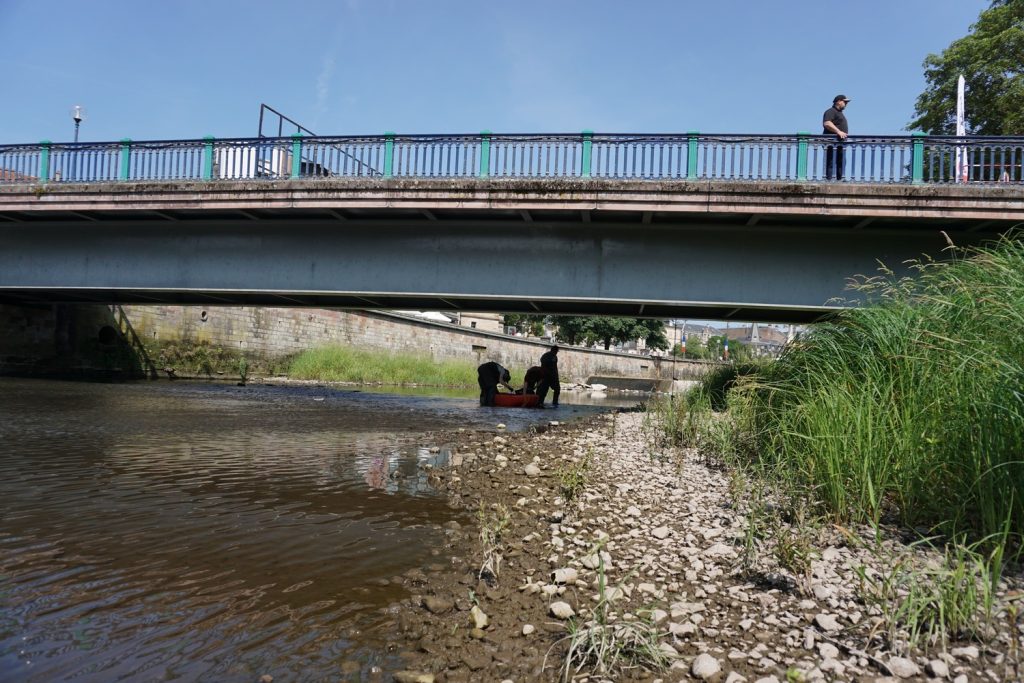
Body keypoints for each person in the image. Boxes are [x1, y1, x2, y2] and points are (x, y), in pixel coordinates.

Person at [822, 94, 850, 181]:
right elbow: (827, 123)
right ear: (838, 101)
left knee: (841, 162)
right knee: (831, 162)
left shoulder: (840, 113)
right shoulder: (831, 111)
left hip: (840, 143)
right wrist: (838, 131)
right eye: (845, 102)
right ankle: (829, 180)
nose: (846, 104)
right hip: (832, 143)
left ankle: (840, 179)